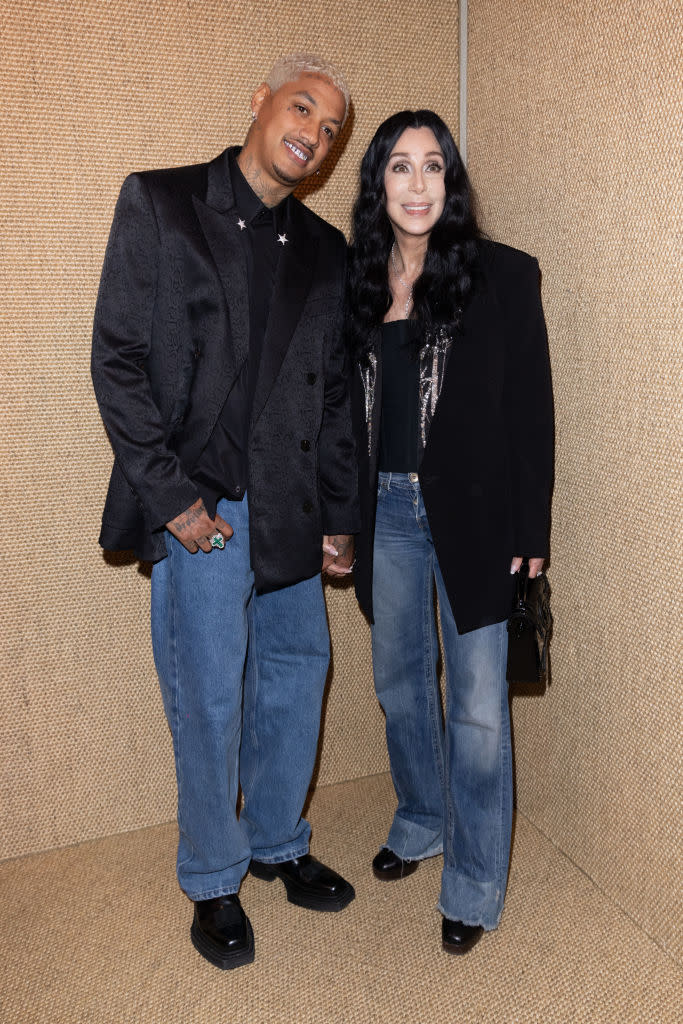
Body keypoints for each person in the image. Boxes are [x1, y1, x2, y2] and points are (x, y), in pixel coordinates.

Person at [91, 54, 359, 971]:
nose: (314, 137)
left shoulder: (328, 252)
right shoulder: (160, 204)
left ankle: (279, 841)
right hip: (201, 510)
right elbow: (118, 362)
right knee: (208, 699)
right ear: (258, 102)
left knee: (296, 674)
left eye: (330, 132)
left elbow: (334, 402)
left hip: (289, 507)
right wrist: (172, 500)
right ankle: (213, 876)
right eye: (302, 110)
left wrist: (338, 516)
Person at [347, 110, 553, 954]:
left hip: (472, 519)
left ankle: (471, 882)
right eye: (400, 166)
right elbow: (340, 413)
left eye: (434, 166)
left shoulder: (504, 274)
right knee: (400, 687)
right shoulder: (355, 282)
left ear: (452, 182)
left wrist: (529, 526)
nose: (419, 183)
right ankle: (422, 819)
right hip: (384, 515)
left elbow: (532, 412)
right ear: (379, 184)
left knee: (474, 709)